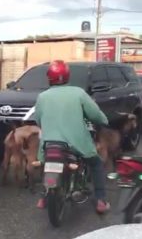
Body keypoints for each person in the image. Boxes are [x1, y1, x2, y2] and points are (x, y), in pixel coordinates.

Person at [34, 60, 110, 214]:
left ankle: (44, 196)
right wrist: (104, 121)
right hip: (76, 145)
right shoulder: (79, 93)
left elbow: (38, 120)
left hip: (49, 144)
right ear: (67, 76)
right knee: (96, 164)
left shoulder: (42, 97)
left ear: (50, 78)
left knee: (45, 162)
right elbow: (96, 115)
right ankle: (101, 200)